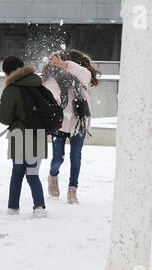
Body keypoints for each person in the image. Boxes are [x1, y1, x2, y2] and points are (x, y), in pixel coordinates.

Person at [42, 50, 100, 204]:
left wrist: (66, 64)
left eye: (63, 63)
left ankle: (72, 190)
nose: (61, 67)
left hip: (78, 123)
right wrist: (55, 100)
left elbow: (86, 75)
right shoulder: (54, 78)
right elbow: (49, 90)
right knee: (58, 158)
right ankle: (53, 177)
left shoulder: (80, 78)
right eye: (58, 64)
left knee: (75, 158)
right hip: (60, 123)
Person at [0, 56, 47, 218]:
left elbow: (6, 118)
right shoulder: (38, 84)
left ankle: (13, 207)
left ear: (7, 72)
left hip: (20, 136)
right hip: (39, 134)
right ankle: (39, 207)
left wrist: (3, 112)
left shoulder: (11, 88)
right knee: (32, 173)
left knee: (17, 173)